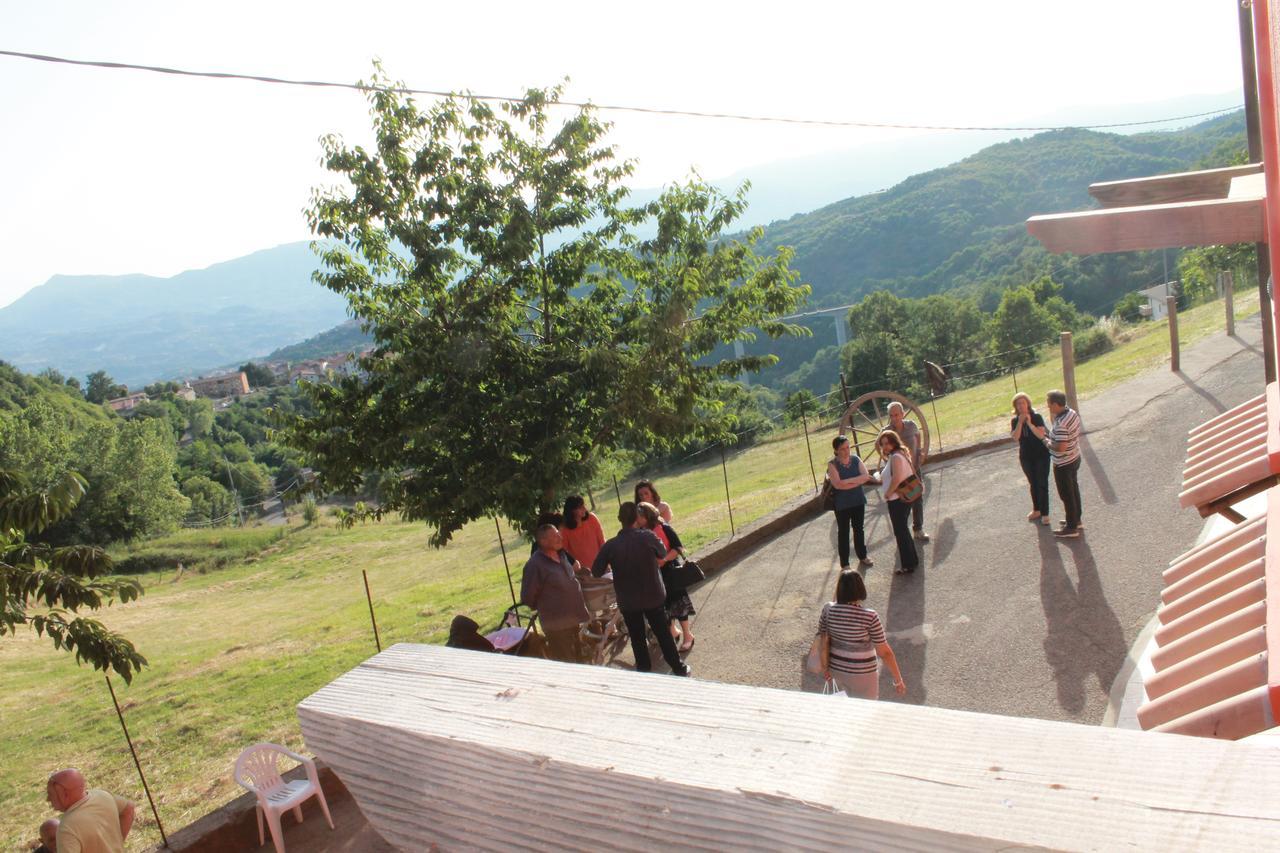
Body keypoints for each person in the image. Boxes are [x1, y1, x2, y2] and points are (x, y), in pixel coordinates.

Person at [592, 502, 691, 676]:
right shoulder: (647, 537)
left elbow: (596, 571)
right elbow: (662, 552)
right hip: (653, 595)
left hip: (628, 600)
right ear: (637, 518)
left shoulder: (611, 546)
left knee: (637, 639)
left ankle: (644, 674)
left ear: (619, 519)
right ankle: (679, 668)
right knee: (663, 634)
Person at [818, 569, 906, 699]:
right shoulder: (869, 616)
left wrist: (825, 667)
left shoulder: (828, 609)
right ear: (860, 588)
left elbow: (822, 640)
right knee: (865, 710)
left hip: (836, 671)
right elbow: (885, 653)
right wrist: (898, 680)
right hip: (863, 674)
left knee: (845, 707)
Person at [520, 524, 590, 662]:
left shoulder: (562, 555)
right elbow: (527, 597)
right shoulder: (535, 565)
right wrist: (547, 605)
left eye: (559, 534)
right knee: (567, 665)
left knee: (580, 663)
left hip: (573, 620)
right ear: (543, 541)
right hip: (556, 626)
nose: (560, 537)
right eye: (555, 536)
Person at [639, 501, 697, 653]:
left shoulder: (664, 527)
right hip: (655, 575)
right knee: (664, 606)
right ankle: (674, 631)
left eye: (640, 516)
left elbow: (678, 547)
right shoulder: (641, 532)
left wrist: (663, 560)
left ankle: (688, 636)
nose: (637, 519)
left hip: (670, 571)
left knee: (679, 604)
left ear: (647, 516)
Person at [1029, 389, 1083, 538]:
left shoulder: (1061, 424)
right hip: (1074, 457)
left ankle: (1071, 528)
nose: (1047, 406)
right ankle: (1076, 519)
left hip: (1063, 463)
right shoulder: (1071, 413)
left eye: (1048, 403)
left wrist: (1045, 440)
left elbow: (1060, 447)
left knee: (1067, 495)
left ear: (1055, 404)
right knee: (1074, 490)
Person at [45, 769, 134, 853]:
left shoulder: (67, 828)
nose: (48, 799)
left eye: (50, 794)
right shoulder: (102, 795)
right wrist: (116, 845)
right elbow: (129, 808)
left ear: (64, 794)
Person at [827, 434, 874, 569]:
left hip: (858, 500)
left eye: (848, 447)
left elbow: (865, 477)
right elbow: (837, 485)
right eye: (843, 448)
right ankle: (845, 564)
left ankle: (862, 556)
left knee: (859, 529)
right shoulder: (832, 464)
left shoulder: (855, 459)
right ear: (836, 450)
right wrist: (856, 480)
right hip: (842, 504)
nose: (846, 451)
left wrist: (847, 482)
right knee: (843, 532)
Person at [876, 430, 920, 574]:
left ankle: (908, 565)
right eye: (883, 444)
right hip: (902, 498)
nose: (885, 447)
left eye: (887, 443)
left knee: (901, 532)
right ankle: (912, 561)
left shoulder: (895, 457)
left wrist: (888, 493)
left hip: (897, 499)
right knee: (903, 531)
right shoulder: (899, 454)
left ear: (894, 442)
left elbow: (897, 478)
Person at [887, 402, 929, 542]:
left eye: (897, 414)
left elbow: (917, 436)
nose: (894, 418)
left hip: (914, 467)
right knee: (902, 501)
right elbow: (879, 445)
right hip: (899, 472)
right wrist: (887, 458)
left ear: (902, 414)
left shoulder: (911, 425)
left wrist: (920, 451)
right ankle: (903, 533)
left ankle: (918, 529)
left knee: (917, 497)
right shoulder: (887, 431)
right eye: (891, 415)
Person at [1010, 392, 1052, 524]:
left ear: (1028, 404)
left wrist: (1029, 423)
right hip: (1026, 456)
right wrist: (1020, 423)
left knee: (1042, 483)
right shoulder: (1015, 421)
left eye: (1023, 403)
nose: (1021, 406)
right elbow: (1015, 437)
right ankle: (1037, 509)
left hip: (1041, 455)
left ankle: (1045, 514)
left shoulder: (1037, 417)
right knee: (1033, 483)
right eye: (1018, 404)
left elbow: (1041, 434)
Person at [559, 495, 606, 569]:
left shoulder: (592, 518)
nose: (584, 508)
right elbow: (563, 553)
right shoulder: (565, 529)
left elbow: (602, 541)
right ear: (572, 511)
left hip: (600, 566)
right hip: (583, 573)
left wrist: (606, 561)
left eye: (584, 505)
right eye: (580, 507)